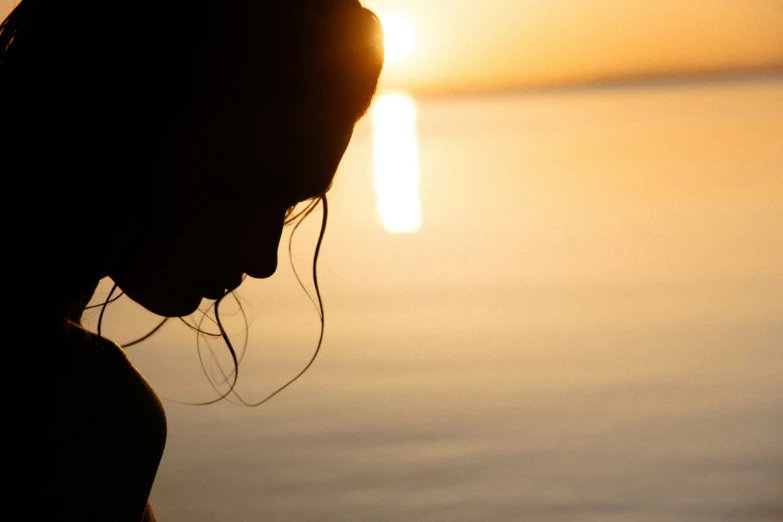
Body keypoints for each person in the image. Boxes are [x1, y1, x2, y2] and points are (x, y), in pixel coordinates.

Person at [2, 0, 384, 520]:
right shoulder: (85, 419)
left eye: (290, 204)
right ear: (120, 113)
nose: (263, 257)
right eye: (242, 191)